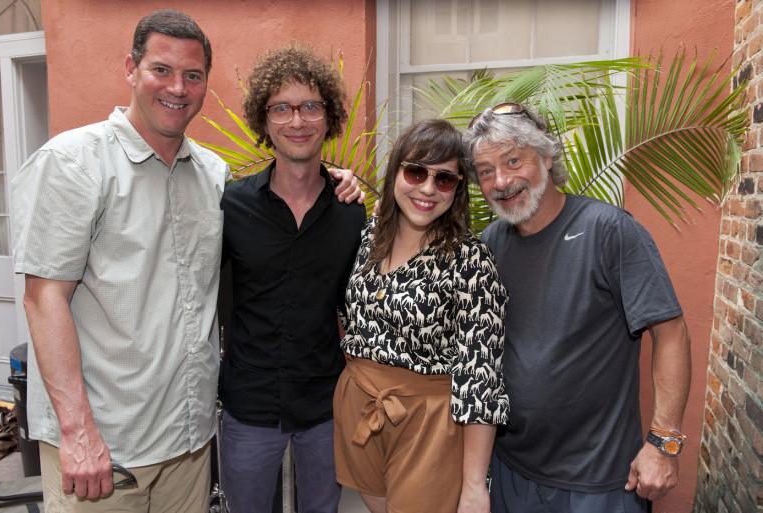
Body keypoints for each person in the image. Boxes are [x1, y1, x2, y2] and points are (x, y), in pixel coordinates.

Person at [9, 10, 360, 512]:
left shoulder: (211, 176)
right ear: (131, 69)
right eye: (161, 69)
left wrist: (338, 179)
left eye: (192, 75)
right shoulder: (73, 163)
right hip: (106, 444)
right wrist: (77, 430)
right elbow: (43, 298)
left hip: (187, 442)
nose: (177, 87)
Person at [463, 103, 692, 513]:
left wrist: (663, 443)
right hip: (512, 471)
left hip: (600, 481)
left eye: (513, 161)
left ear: (547, 156)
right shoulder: (490, 243)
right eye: (485, 171)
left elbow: (671, 333)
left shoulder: (610, 231)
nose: (501, 181)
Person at [334, 119, 510, 513]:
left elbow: (480, 376)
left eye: (444, 179)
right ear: (395, 171)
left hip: (428, 424)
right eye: (415, 172)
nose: (428, 189)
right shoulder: (367, 237)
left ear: (457, 189)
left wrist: (474, 486)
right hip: (360, 408)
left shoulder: (470, 260)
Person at [218, 43, 366, 513]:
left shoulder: (352, 212)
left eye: (310, 107)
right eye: (281, 108)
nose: (297, 121)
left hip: (324, 404)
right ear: (264, 121)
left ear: (329, 116)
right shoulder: (231, 205)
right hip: (249, 403)